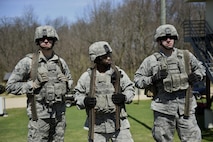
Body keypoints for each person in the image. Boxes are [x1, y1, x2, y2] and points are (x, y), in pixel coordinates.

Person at [134, 24, 205, 142]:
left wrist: (197, 76)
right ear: (158, 41)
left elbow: (201, 69)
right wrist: (153, 78)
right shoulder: (151, 61)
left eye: (171, 37)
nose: (168, 40)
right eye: (165, 38)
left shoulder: (186, 56)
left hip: (186, 108)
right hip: (163, 109)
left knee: (193, 139)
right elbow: (137, 80)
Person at [6, 25, 73, 142]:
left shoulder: (61, 63)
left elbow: (70, 82)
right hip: (39, 118)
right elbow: (10, 86)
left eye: (49, 38)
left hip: (59, 118)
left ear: (54, 40)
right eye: (42, 39)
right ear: (37, 41)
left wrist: (66, 83)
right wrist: (32, 85)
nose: (46, 41)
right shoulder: (28, 62)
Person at [74, 41, 135, 142]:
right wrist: (84, 101)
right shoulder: (87, 77)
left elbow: (130, 89)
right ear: (96, 59)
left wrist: (124, 97)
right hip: (96, 127)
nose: (109, 57)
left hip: (119, 124)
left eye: (109, 54)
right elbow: (77, 95)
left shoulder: (119, 73)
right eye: (105, 56)